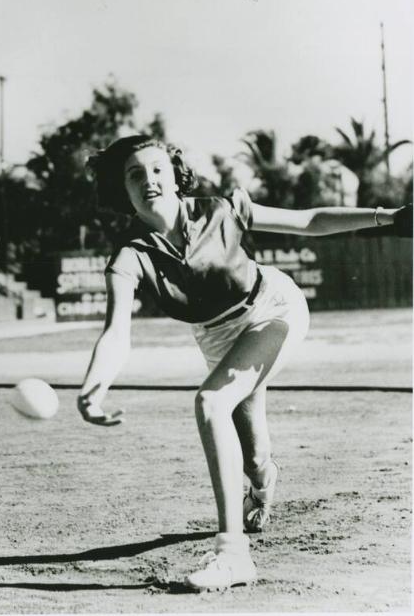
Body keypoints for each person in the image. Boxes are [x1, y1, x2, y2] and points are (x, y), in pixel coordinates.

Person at [76, 134, 411, 592]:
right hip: (217, 338)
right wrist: (95, 385)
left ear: (174, 174)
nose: (149, 180)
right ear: (122, 190)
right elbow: (115, 331)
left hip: (272, 308)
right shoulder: (130, 256)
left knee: (210, 402)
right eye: (135, 174)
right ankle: (262, 481)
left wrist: (389, 217)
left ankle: (232, 554)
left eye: (157, 168)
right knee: (253, 455)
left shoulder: (220, 209)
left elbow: (308, 220)